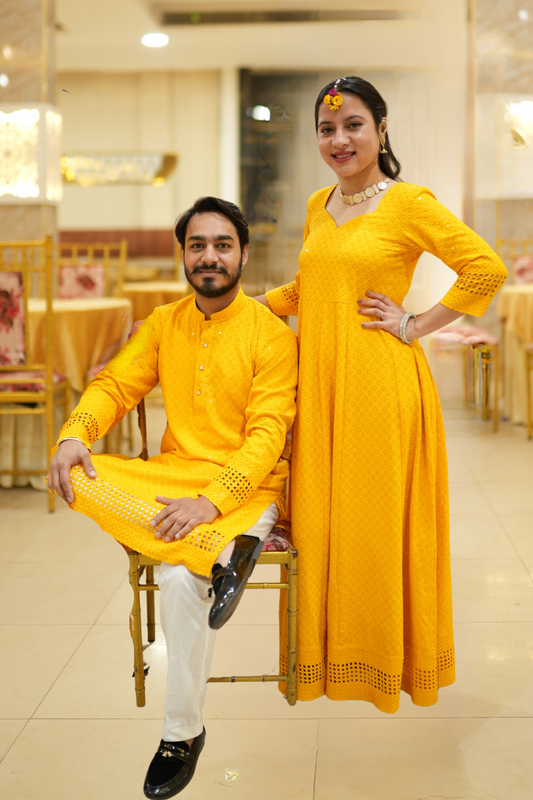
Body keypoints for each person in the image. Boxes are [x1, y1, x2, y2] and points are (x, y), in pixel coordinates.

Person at [255, 76, 508, 713]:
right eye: (327, 129)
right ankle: (326, 659)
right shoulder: (318, 204)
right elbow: (309, 289)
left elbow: (485, 267)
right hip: (321, 386)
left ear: (381, 128)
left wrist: (414, 323)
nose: (339, 140)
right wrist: (245, 307)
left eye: (353, 126)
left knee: (372, 525)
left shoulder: (408, 202)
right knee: (322, 521)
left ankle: (383, 660)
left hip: (379, 385)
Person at [48, 196, 298, 798]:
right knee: (76, 473)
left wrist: (213, 501)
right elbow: (115, 384)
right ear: (183, 254)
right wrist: (75, 434)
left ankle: (180, 735)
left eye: (222, 245)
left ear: (243, 254)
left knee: (181, 580)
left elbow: (268, 436)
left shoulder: (272, 335)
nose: (209, 256)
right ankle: (221, 552)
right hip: (172, 478)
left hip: (247, 487)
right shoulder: (163, 323)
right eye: (197, 245)